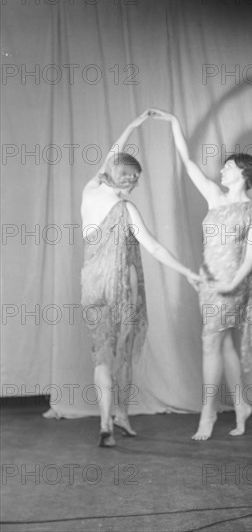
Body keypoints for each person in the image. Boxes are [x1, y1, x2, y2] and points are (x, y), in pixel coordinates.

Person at [80, 110, 200, 447]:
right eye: (127, 175)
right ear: (113, 173)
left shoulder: (95, 193)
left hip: (95, 284)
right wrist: (189, 272)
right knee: (118, 349)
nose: (131, 182)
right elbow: (156, 248)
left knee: (106, 352)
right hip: (115, 286)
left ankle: (113, 418)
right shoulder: (121, 207)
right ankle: (114, 417)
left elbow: (154, 248)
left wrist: (132, 126)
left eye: (136, 178)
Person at [149, 109, 252, 440]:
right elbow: (187, 162)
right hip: (207, 280)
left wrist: (232, 282)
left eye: (228, 166)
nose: (221, 170)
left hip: (230, 283)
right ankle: (242, 405)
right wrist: (175, 121)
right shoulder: (213, 197)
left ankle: (208, 412)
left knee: (209, 343)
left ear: (244, 173)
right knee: (224, 344)